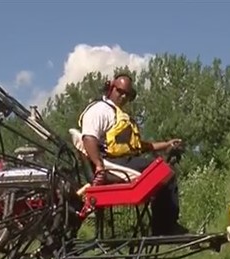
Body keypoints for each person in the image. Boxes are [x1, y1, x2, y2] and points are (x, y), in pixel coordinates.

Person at [77, 73, 188, 235]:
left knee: (161, 169)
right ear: (110, 88)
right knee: (164, 173)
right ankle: (165, 228)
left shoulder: (118, 115)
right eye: (119, 91)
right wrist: (99, 166)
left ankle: (163, 226)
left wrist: (166, 144)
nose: (123, 96)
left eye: (127, 94)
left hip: (123, 161)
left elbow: (138, 146)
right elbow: (88, 138)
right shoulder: (100, 110)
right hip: (112, 165)